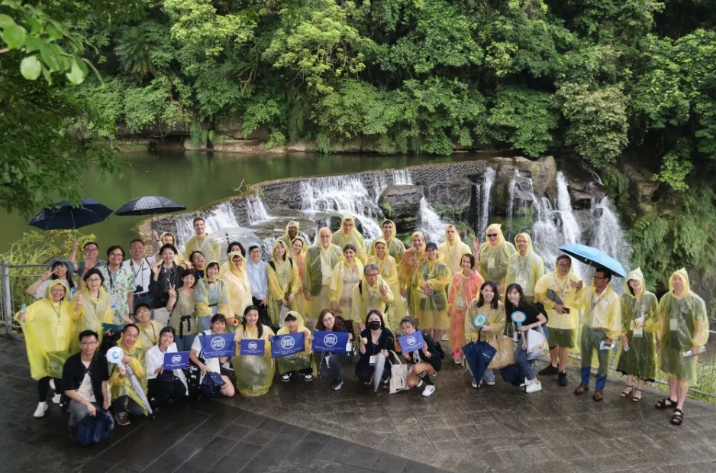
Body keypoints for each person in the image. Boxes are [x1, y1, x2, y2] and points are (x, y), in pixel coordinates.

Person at [15, 280, 81, 418]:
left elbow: (75, 318)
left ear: (64, 292)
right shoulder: (40, 305)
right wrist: (21, 316)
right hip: (45, 347)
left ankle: (58, 394)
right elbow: (23, 315)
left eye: (60, 290)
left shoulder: (67, 306)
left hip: (62, 347)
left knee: (59, 375)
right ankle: (41, 403)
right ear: (49, 291)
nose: (57, 293)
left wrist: (78, 306)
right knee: (44, 376)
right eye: (54, 290)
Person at [655, 268, 709, 426]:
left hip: (686, 346)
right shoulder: (666, 299)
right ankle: (672, 398)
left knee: (683, 377)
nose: (677, 281)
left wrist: (697, 344)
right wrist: (660, 340)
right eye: (674, 278)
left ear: (685, 281)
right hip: (670, 343)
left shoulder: (695, 301)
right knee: (672, 372)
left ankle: (679, 407)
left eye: (680, 279)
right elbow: (661, 320)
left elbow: (701, 324)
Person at [572, 268, 622, 402]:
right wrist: (578, 289)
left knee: (603, 362)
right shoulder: (588, 291)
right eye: (594, 277)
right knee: (585, 357)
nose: (595, 280)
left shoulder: (614, 298)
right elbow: (576, 304)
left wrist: (610, 337)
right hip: (587, 329)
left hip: (602, 333)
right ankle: (584, 383)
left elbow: (615, 318)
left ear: (606, 280)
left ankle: (599, 388)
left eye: (598, 278)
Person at [534, 255, 584, 386]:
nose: (564, 267)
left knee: (564, 345)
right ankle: (553, 365)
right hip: (551, 318)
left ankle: (562, 370)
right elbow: (539, 294)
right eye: (562, 264)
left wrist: (579, 289)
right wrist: (553, 305)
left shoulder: (575, 279)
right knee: (552, 343)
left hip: (568, 319)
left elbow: (582, 301)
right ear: (556, 264)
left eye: (567, 265)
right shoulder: (547, 278)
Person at [616, 268, 658, 403]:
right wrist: (622, 334)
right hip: (630, 335)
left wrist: (647, 322)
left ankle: (639, 389)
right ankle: (629, 386)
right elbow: (621, 318)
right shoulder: (625, 298)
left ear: (642, 280)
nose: (634, 282)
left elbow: (656, 317)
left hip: (646, 336)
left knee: (643, 360)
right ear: (628, 283)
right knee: (630, 358)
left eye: (636, 279)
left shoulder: (650, 297)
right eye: (631, 280)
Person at [62, 330, 112, 437]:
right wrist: (87, 404)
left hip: (95, 398)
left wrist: (105, 400)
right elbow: (68, 390)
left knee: (110, 424)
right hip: (77, 398)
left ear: (97, 343)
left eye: (92, 343)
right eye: (85, 343)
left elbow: (103, 381)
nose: (88, 347)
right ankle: (73, 425)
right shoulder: (71, 362)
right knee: (81, 413)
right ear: (80, 344)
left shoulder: (101, 359)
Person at [504, 284, 548, 393]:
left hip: (538, 332)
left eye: (515, 293)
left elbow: (543, 319)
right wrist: (523, 340)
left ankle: (535, 382)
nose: (512, 296)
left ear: (520, 295)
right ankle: (530, 379)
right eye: (510, 293)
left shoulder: (527, 306)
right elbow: (520, 326)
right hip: (527, 333)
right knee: (524, 356)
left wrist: (527, 328)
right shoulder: (512, 307)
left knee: (520, 357)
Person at [465, 281, 506, 388]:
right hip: (476, 336)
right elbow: (468, 320)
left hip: (490, 337)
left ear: (495, 293)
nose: (489, 293)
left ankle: (488, 374)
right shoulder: (474, 304)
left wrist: (490, 327)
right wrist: (472, 335)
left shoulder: (499, 306)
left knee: (488, 357)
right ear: (481, 291)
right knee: (475, 357)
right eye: (486, 290)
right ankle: (476, 376)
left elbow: (502, 322)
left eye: (491, 291)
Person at [447, 254, 484, 364]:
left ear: (472, 264)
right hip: (457, 309)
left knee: (468, 331)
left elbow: (481, 294)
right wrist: (449, 306)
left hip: (471, 310)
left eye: (468, 262)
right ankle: (456, 352)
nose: (465, 264)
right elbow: (452, 292)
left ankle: (468, 351)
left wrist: (473, 305)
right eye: (463, 261)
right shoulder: (457, 276)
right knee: (456, 330)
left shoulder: (477, 278)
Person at [108, 324, 147, 426]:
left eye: (135, 336)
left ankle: (126, 404)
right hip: (116, 388)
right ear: (122, 334)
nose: (131, 338)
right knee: (123, 385)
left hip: (133, 387)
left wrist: (130, 360)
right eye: (129, 335)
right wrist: (121, 375)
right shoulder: (114, 351)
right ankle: (119, 410)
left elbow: (141, 373)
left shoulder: (138, 350)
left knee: (138, 411)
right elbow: (108, 377)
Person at [232, 306, 275, 397]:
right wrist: (237, 343)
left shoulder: (265, 329)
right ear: (245, 316)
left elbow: (273, 347)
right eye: (250, 315)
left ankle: (259, 378)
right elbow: (235, 349)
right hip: (245, 361)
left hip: (261, 359)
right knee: (248, 360)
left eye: (255, 315)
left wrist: (271, 340)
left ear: (258, 316)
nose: (252, 318)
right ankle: (248, 379)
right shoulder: (240, 330)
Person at [412, 242, 451, 342]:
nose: (431, 253)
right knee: (426, 319)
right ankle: (427, 342)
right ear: (426, 252)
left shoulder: (442, 265)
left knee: (437, 320)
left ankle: (435, 341)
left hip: (438, 297)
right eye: (428, 251)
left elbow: (444, 280)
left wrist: (429, 283)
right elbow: (419, 278)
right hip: (425, 296)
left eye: (433, 250)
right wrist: (423, 286)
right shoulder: (423, 264)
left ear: (436, 251)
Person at [190, 314, 236, 398]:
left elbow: (222, 361)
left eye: (222, 324)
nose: (220, 326)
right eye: (217, 323)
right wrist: (201, 365)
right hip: (201, 366)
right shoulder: (202, 336)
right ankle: (204, 385)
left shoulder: (223, 338)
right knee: (221, 385)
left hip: (215, 367)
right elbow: (191, 354)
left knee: (230, 392)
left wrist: (230, 346)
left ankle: (212, 384)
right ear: (211, 324)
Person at [303, 227, 342, 320]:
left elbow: (341, 269)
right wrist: (307, 290)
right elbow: (306, 271)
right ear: (319, 237)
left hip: (333, 289)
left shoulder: (337, 250)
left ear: (330, 237)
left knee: (333, 316)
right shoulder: (311, 250)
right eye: (322, 236)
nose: (325, 239)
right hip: (317, 288)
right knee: (318, 316)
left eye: (327, 236)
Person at [73, 268, 115, 353]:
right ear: (86, 282)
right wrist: (78, 304)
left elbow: (109, 316)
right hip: (83, 332)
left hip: (100, 333)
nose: (93, 282)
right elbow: (73, 317)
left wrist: (106, 329)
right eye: (90, 280)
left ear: (101, 281)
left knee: (97, 357)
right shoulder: (79, 295)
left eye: (96, 279)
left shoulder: (107, 297)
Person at [398, 316, 442, 397]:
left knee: (417, 368)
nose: (406, 330)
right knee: (410, 384)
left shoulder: (425, 337)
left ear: (414, 326)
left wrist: (426, 353)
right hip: (417, 364)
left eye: (408, 327)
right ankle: (421, 377)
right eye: (403, 328)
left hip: (431, 365)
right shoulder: (405, 340)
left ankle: (430, 385)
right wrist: (407, 357)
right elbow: (411, 360)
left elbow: (437, 357)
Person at [145, 327, 188, 408]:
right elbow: (148, 371)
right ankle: (155, 400)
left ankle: (167, 396)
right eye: (165, 336)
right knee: (169, 387)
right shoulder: (150, 352)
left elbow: (175, 363)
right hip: (154, 378)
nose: (167, 339)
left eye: (170, 337)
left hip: (169, 375)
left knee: (181, 390)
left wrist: (182, 363)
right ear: (160, 337)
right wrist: (159, 369)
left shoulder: (173, 347)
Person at [367, 238, 405, 328]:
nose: (380, 250)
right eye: (378, 248)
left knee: (391, 309)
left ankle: (393, 328)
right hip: (375, 287)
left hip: (390, 287)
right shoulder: (371, 260)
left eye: (382, 248)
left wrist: (384, 284)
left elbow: (394, 275)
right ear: (375, 248)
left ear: (386, 248)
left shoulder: (391, 259)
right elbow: (368, 273)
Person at [356, 310, 395, 393]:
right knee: (363, 375)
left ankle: (385, 378)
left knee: (385, 373)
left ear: (381, 321)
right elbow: (362, 354)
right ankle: (369, 376)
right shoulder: (364, 333)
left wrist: (388, 353)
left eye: (376, 319)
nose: (374, 321)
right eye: (371, 319)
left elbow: (392, 350)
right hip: (368, 361)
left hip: (384, 362)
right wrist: (362, 344)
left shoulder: (387, 333)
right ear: (368, 322)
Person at [315, 309, 353, 391]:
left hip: (342, 354)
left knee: (333, 359)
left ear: (334, 317)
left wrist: (348, 340)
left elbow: (347, 348)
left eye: (330, 318)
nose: (328, 322)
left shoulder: (341, 328)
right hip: (328, 354)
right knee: (324, 374)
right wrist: (313, 342)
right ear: (322, 322)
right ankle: (333, 369)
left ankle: (339, 379)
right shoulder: (320, 331)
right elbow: (318, 349)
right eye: (325, 320)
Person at [97, 246, 136, 326]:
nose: (116, 257)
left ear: (122, 257)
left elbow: (130, 295)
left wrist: (131, 314)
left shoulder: (128, 273)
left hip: (121, 315)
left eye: (119, 255)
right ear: (108, 256)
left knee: (120, 337)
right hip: (102, 313)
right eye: (113, 254)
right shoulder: (98, 271)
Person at [267, 240, 300, 329]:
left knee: (291, 319)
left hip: (289, 295)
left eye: (282, 247)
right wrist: (281, 298)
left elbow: (296, 277)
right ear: (274, 250)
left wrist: (293, 292)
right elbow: (272, 284)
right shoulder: (271, 264)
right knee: (278, 321)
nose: (280, 250)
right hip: (276, 298)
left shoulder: (290, 261)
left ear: (285, 249)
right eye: (277, 247)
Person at [149, 244, 184, 326]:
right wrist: (155, 275)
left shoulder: (180, 270)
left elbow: (184, 287)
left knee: (175, 331)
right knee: (161, 331)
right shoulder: (156, 269)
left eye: (170, 253)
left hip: (176, 306)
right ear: (161, 255)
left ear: (175, 254)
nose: (168, 256)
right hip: (160, 306)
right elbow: (153, 291)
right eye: (165, 253)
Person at [504, 233, 544, 303]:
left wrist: (537, 301)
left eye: (524, 241)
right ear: (516, 243)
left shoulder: (537, 260)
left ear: (529, 242)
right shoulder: (512, 259)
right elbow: (508, 279)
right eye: (519, 241)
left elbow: (539, 281)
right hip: (513, 296)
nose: (521, 243)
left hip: (529, 297)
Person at [351, 264, 394, 330]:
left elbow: (391, 301)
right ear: (365, 276)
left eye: (375, 275)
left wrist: (385, 294)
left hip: (380, 319)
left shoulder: (382, 283)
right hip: (365, 320)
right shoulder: (359, 287)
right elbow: (355, 306)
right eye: (370, 275)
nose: (373, 278)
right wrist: (358, 322)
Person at [475, 224, 515, 293]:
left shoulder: (509, 247)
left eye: (494, 234)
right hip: (486, 287)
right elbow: (474, 267)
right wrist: (476, 251)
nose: (492, 237)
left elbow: (515, 268)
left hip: (504, 287)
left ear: (499, 234)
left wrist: (504, 285)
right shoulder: (483, 247)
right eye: (489, 235)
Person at [277, 311, 314, 382]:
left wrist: (307, 340)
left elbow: (309, 350)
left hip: (302, 354)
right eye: (288, 321)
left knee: (307, 357)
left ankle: (305, 370)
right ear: (285, 322)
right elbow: (279, 349)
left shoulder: (306, 331)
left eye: (293, 320)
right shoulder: (281, 332)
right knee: (283, 356)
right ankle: (287, 371)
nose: (291, 324)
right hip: (288, 355)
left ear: (298, 320)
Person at [166, 269, 198, 351]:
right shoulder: (176, 292)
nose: (189, 280)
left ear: (194, 280)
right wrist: (171, 297)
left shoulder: (196, 293)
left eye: (191, 278)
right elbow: (169, 308)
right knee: (178, 353)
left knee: (190, 352)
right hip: (177, 326)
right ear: (182, 279)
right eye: (186, 278)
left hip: (190, 326)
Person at [330, 244, 364, 319]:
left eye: (351, 252)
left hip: (356, 300)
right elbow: (333, 284)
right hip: (343, 300)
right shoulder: (339, 266)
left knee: (356, 322)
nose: (348, 255)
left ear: (355, 253)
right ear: (344, 253)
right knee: (343, 322)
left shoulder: (360, 266)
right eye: (346, 252)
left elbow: (363, 283)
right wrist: (334, 300)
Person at [196, 262, 233, 330]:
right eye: (210, 268)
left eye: (215, 269)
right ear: (206, 270)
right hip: (205, 314)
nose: (213, 271)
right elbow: (200, 302)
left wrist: (219, 316)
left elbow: (226, 301)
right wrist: (212, 316)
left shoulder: (222, 283)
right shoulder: (201, 282)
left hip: (219, 312)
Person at [123, 239, 155, 310]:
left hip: (148, 297)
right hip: (133, 298)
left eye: (140, 247)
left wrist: (157, 238)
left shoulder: (149, 261)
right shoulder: (123, 265)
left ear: (144, 250)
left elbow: (163, 252)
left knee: (150, 319)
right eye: (134, 248)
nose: (137, 250)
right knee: (134, 319)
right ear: (130, 251)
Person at [221, 252, 252, 323]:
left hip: (248, 310)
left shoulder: (244, 272)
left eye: (239, 260)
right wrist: (229, 315)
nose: (237, 262)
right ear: (230, 262)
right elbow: (225, 298)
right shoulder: (226, 276)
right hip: (236, 313)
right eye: (234, 261)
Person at [400, 231, 426, 317]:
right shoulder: (407, 254)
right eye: (414, 240)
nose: (417, 243)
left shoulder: (428, 253)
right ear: (411, 242)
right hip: (411, 286)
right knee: (412, 309)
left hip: (424, 286)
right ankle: (414, 328)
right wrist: (402, 287)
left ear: (423, 240)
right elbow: (402, 272)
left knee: (424, 310)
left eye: (419, 240)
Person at [246, 245, 272, 329]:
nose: (255, 254)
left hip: (266, 297)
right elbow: (250, 283)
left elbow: (267, 281)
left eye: (257, 251)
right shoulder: (246, 266)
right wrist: (260, 297)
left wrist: (266, 296)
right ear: (249, 254)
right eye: (253, 252)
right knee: (258, 320)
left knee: (268, 320)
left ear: (260, 253)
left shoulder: (265, 265)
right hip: (254, 297)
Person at [289, 237, 309, 319]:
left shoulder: (303, 258)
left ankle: (302, 327)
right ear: (292, 245)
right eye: (295, 245)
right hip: (291, 287)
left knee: (302, 309)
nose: (297, 247)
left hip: (302, 288)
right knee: (293, 310)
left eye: (299, 246)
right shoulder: (286, 257)